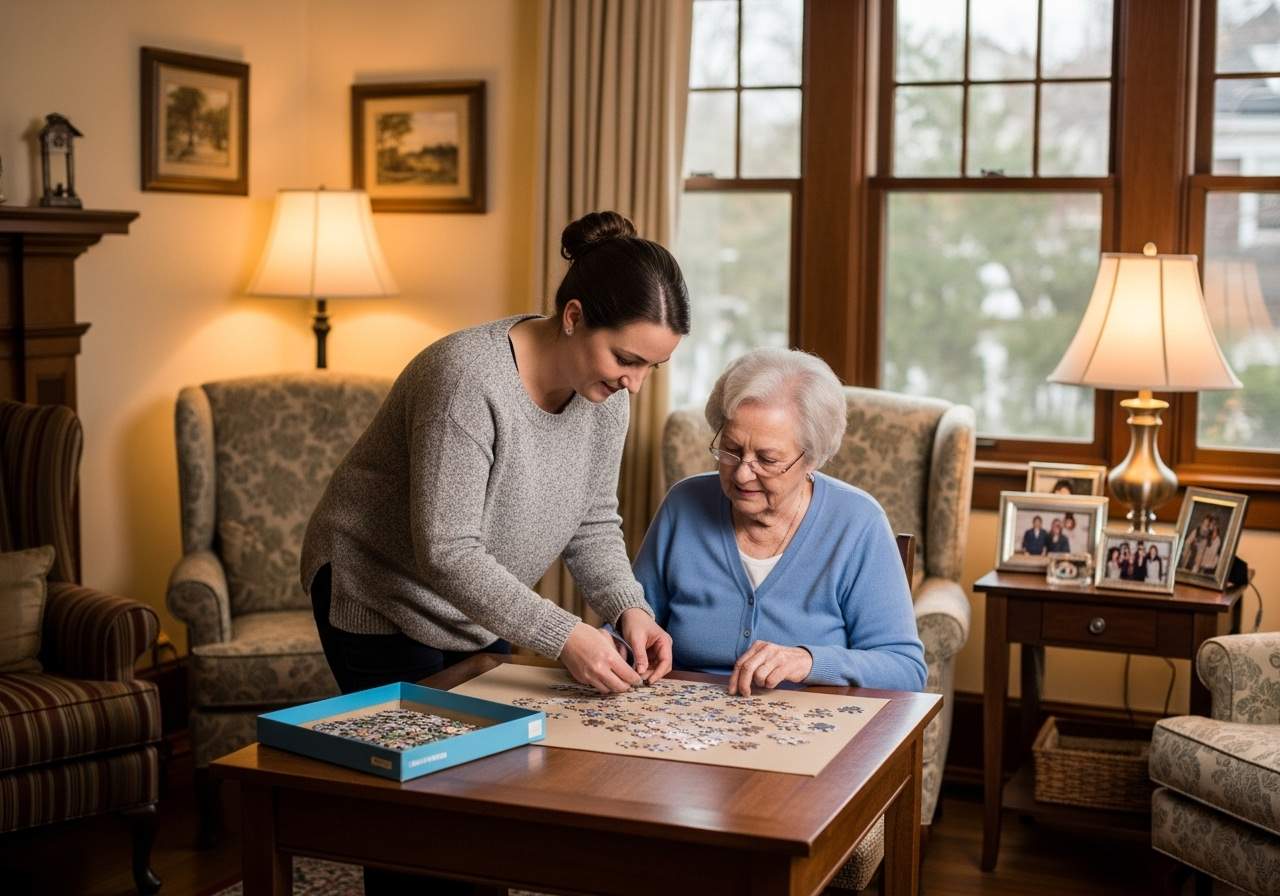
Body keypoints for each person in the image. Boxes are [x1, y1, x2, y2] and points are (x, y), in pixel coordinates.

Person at [302, 211, 689, 892]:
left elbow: (593, 519)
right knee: (424, 822)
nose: (635, 382)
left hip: (478, 609)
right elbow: (446, 551)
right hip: (378, 594)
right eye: (627, 359)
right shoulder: (467, 378)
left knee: (488, 803)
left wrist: (629, 608)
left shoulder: (607, 396)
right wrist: (564, 634)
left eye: (653, 367)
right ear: (573, 316)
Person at [631, 348, 927, 696]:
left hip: (811, 734)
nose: (742, 473)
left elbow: (905, 669)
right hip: (680, 727)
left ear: (812, 458)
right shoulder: (683, 505)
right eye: (731, 450)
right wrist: (619, 644)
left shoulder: (858, 524)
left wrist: (810, 661)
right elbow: (634, 620)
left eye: (767, 460)